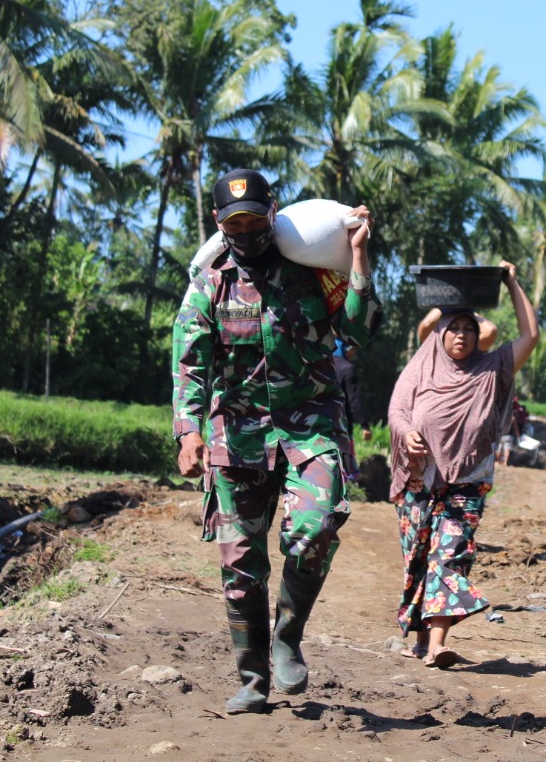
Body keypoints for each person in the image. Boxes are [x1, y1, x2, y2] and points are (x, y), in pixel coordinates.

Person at [172, 169, 383, 715]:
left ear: (272, 215)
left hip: (308, 425)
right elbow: (190, 364)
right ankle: (252, 678)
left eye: (254, 220)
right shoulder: (210, 284)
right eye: (233, 223)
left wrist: (359, 257)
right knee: (240, 568)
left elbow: (358, 333)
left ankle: (288, 637)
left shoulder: (312, 272)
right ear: (220, 225)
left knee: (315, 529)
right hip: (235, 437)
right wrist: (188, 430)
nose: (245, 232)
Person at [387, 262, 539, 669]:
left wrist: (510, 281)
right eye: (454, 328)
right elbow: (398, 409)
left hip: (467, 484)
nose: (461, 335)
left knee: (449, 556)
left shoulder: (493, 370)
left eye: (469, 330)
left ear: (479, 337)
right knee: (419, 556)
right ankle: (421, 640)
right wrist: (406, 434)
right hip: (420, 480)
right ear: (440, 333)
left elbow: (531, 335)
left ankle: (437, 643)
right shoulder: (422, 364)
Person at [333, 340, 372, 442]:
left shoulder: (320, 366)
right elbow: (353, 399)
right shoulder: (347, 368)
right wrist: (364, 425)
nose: (355, 352)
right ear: (347, 348)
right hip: (342, 430)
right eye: (354, 348)